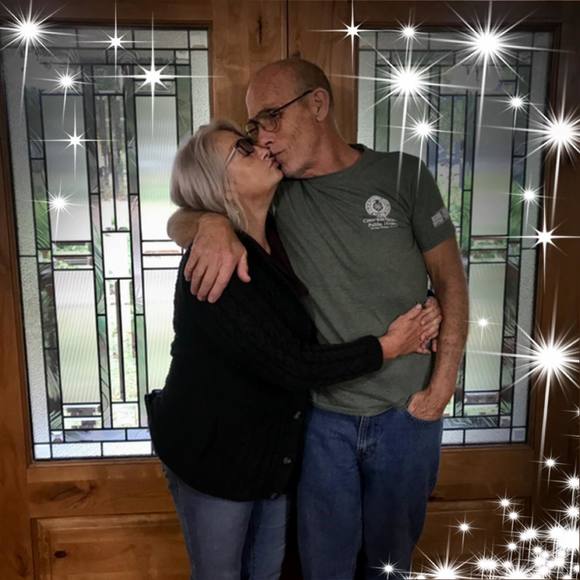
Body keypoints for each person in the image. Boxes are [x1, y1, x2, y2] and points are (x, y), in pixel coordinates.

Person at [167, 59, 469, 580]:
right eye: (254, 128)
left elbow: (451, 281)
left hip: (407, 413)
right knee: (323, 567)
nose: (263, 138)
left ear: (317, 104)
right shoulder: (276, 192)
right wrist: (208, 223)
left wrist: (442, 388)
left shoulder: (403, 175)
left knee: (391, 564)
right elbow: (187, 208)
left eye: (271, 117)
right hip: (320, 421)